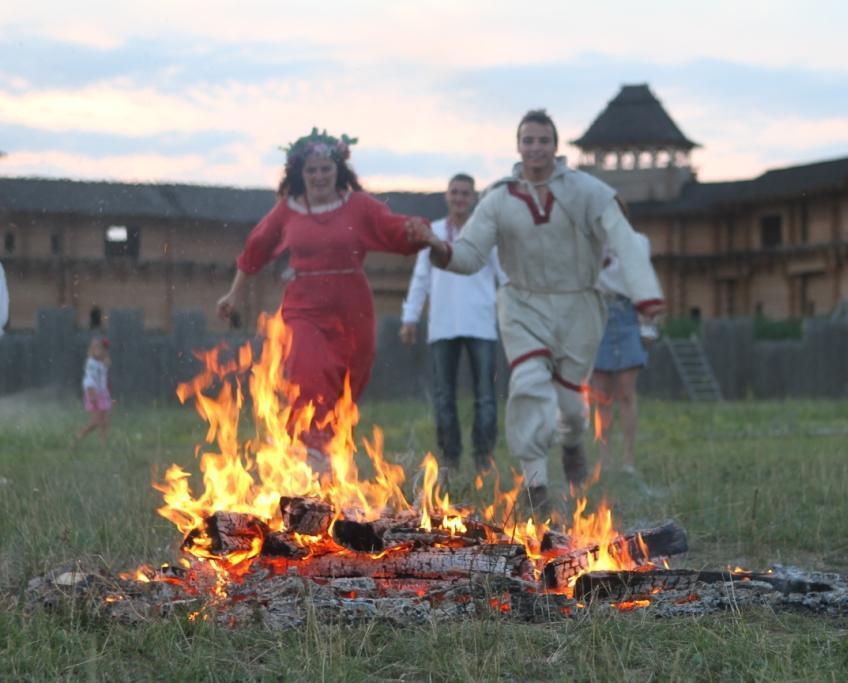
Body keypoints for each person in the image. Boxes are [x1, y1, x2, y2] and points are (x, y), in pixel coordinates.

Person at [408, 109, 666, 514]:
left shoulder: (587, 191)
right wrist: (438, 247)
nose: (535, 148)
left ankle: (572, 442)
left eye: (543, 140)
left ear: (555, 145)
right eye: (528, 140)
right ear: (518, 146)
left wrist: (646, 295)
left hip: (578, 305)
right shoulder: (498, 199)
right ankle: (536, 486)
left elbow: (624, 238)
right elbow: (471, 253)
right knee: (527, 384)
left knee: (570, 406)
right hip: (523, 303)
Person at [217, 128, 431, 455]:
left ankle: (328, 456)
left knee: (347, 387)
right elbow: (256, 247)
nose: (319, 176)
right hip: (305, 307)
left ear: (338, 171)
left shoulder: (358, 206)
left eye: (326, 169)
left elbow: (391, 226)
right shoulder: (288, 210)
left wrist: (416, 231)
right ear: (300, 174)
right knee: (308, 376)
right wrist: (233, 294)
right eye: (311, 170)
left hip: (353, 309)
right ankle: (310, 454)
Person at [399, 174, 506, 481]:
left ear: (474, 198)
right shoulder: (432, 231)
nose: (459, 198)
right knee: (444, 396)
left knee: (486, 396)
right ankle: (450, 460)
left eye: (465, 193)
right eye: (454, 192)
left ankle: (484, 460)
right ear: (447, 196)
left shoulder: (485, 230)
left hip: (481, 322)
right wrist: (410, 317)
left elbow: (504, 276)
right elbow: (421, 278)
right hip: (443, 324)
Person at [591, 228, 659, 475]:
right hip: (598, 314)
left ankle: (628, 460)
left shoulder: (638, 242)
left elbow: (644, 282)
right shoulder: (591, 241)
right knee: (601, 397)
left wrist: (648, 324)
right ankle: (605, 460)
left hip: (627, 315)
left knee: (627, 394)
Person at [73, 337, 112, 448]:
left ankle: (103, 443)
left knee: (105, 421)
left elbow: (102, 378)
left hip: (103, 394)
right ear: (92, 350)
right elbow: (89, 379)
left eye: (102, 349)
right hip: (94, 394)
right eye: (97, 349)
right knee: (96, 421)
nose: (100, 351)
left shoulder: (101, 363)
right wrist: (91, 393)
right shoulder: (91, 363)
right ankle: (79, 435)